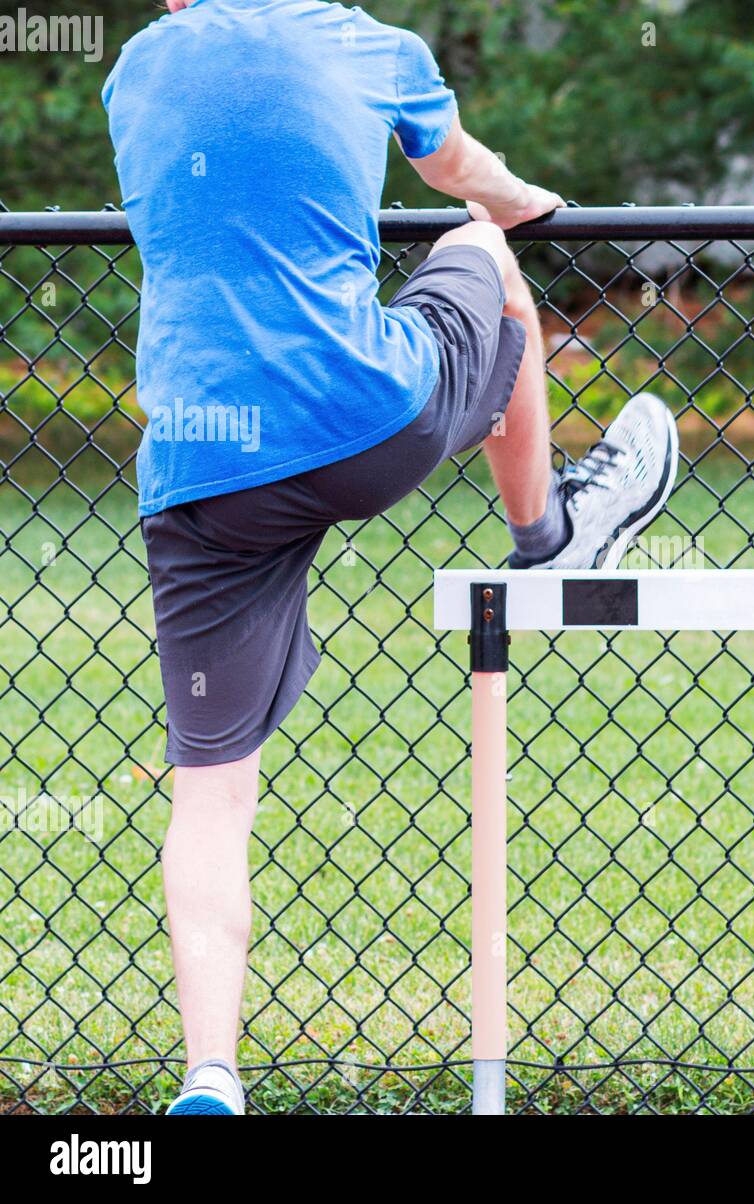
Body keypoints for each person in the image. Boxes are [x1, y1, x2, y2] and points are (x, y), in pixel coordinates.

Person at [102, 0, 678, 1115]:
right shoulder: (364, 42)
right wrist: (523, 205)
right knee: (477, 248)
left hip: (198, 464)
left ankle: (209, 1074)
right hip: (362, 421)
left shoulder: (134, 71)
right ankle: (548, 532)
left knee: (211, 795)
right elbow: (475, 181)